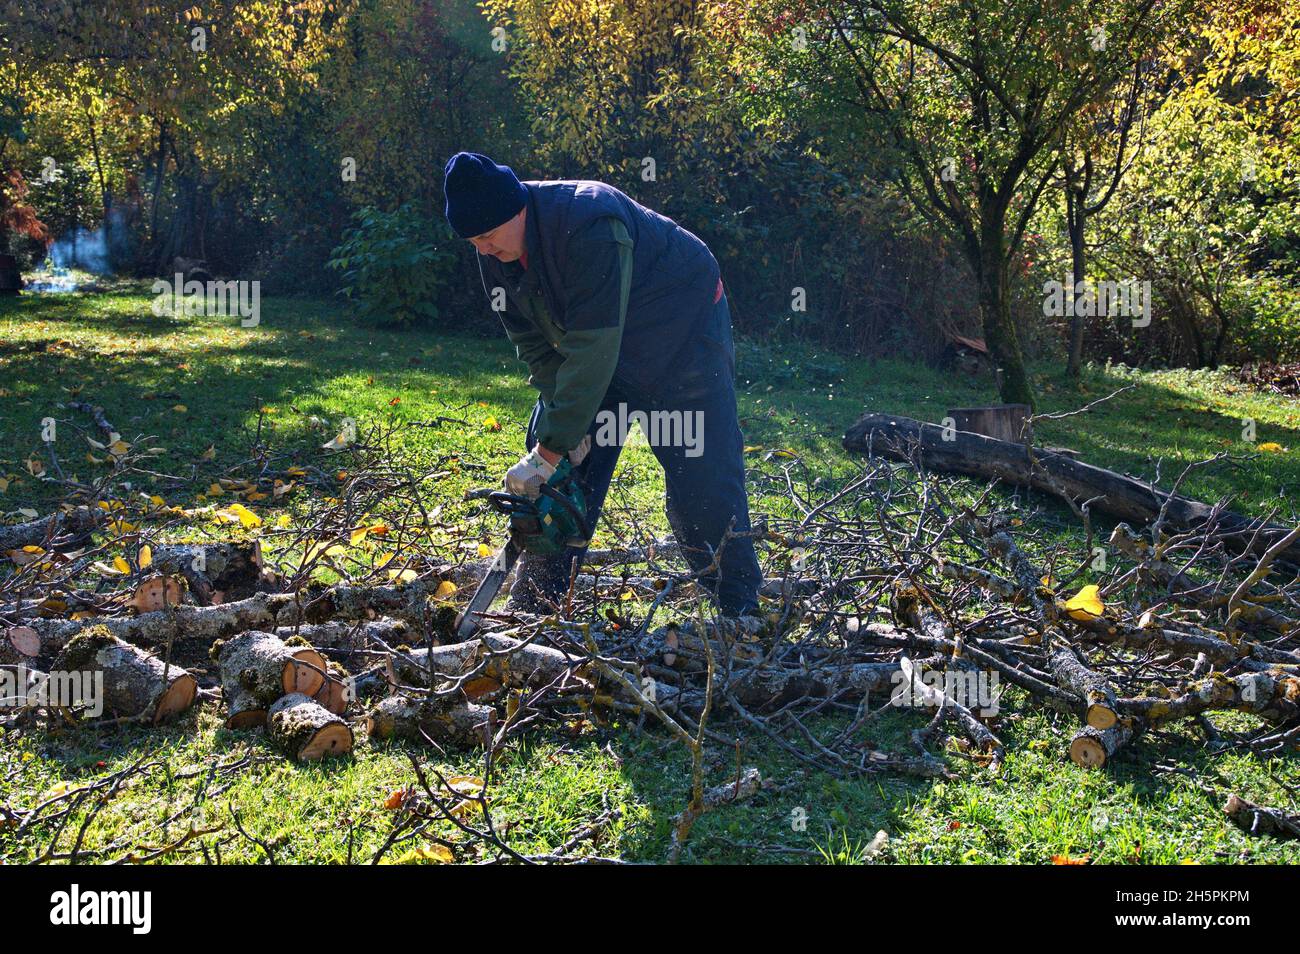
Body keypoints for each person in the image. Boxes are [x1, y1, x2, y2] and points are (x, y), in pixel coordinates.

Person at [443, 151, 762, 620]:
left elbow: (596, 349)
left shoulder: (591, 224)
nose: (483, 249)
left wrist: (552, 449)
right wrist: (558, 440)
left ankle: (738, 609)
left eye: (488, 236)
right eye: (474, 241)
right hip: (602, 347)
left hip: (682, 337)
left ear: (518, 209)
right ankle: (539, 606)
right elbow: (534, 344)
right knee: (556, 483)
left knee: (702, 480)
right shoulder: (495, 251)